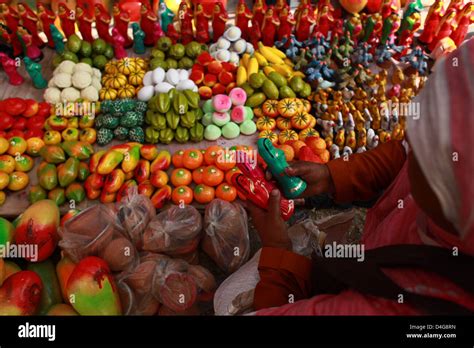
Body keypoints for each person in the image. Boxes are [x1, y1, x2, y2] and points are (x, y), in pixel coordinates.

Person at [244, 39, 474, 315]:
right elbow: (401, 155)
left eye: (419, 142)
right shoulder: (452, 189)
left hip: (373, 274)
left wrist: (278, 252)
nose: (408, 142)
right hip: (375, 257)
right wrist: (333, 176)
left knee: (227, 299)